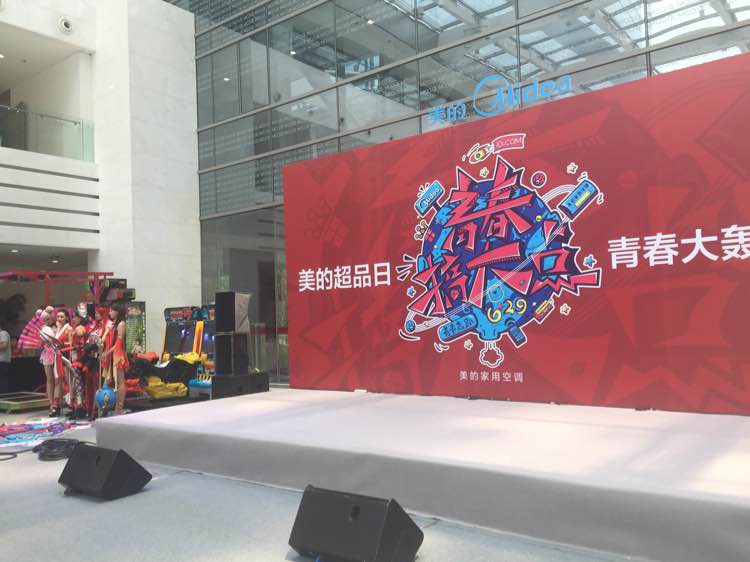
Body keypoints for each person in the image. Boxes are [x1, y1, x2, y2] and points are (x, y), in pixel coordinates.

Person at [102, 303, 129, 415]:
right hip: (112, 354)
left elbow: (119, 343)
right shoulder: (113, 324)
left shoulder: (121, 324)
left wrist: (107, 352)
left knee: (120, 381)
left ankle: (119, 407)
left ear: (117, 312)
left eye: (111, 311)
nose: (110, 313)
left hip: (118, 355)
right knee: (111, 381)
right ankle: (111, 407)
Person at [39, 307, 60, 416]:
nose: (47, 321)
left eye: (49, 318)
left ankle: (57, 403)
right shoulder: (43, 329)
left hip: (58, 353)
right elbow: (43, 342)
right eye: (45, 319)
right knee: (49, 379)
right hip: (47, 353)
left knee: (58, 379)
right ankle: (51, 404)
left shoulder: (59, 326)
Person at [0, 320, 11, 395]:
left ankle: (3, 395)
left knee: (2, 380)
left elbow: (4, 345)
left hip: (2, 361)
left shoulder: (3, 333)